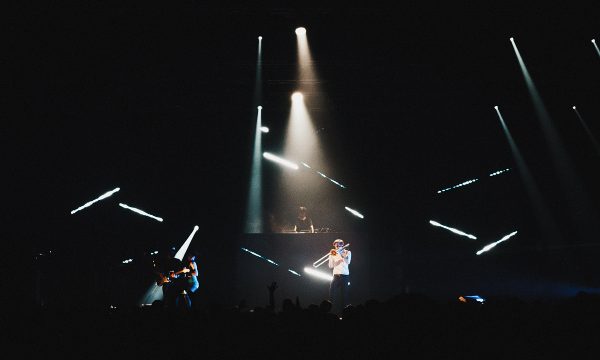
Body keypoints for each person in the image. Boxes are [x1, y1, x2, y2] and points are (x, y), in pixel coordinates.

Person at [328, 239, 351, 314]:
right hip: (336, 276)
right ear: (334, 245)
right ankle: (330, 311)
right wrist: (337, 261)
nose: (338, 245)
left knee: (344, 296)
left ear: (342, 244)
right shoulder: (333, 252)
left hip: (345, 276)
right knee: (332, 294)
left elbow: (348, 262)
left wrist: (342, 254)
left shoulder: (347, 252)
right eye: (336, 244)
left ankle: (345, 313)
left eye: (340, 244)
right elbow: (330, 266)